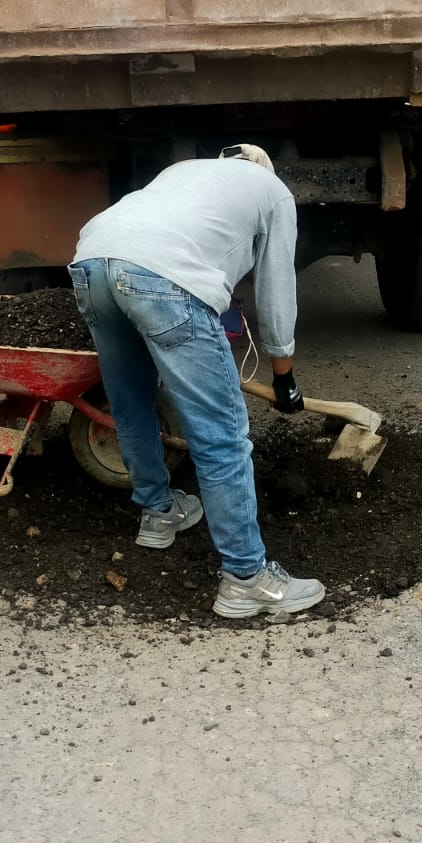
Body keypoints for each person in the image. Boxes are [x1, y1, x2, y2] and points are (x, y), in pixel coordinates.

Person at [69, 145, 326, 619]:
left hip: (92, 260)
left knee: (129, 403)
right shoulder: (272, 191)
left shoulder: (184, 171)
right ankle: (247, 579)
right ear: (263, 170)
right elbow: (275, 289)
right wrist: (283, 373)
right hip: (163, 278)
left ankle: (158, 512)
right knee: (222, 439)